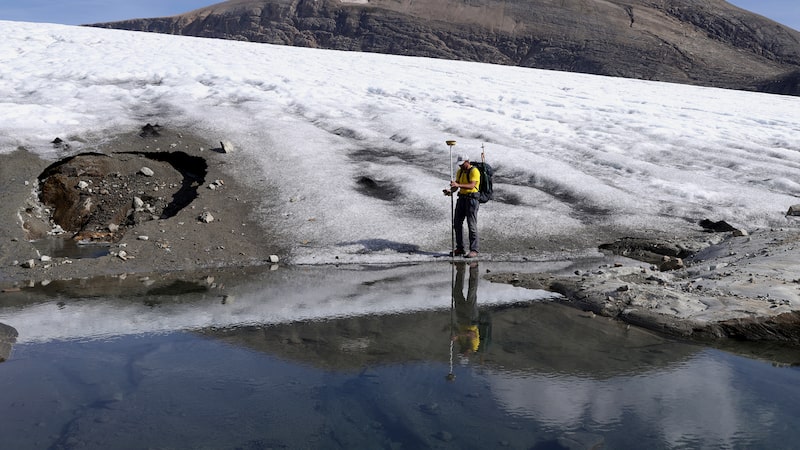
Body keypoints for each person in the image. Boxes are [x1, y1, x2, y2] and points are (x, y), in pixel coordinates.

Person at [443, 154, 480, 258]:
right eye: (459, 165)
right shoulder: (460, 172)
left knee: (471, 225)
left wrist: (458, 185)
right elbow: (457, 185)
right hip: (462, 199)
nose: (460, 166)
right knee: (457, 223)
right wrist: (450, 190)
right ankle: (460, 248)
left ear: (467, 161)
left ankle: (474, 250)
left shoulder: (474, 171)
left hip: (472, 200)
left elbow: (472, 185)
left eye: (462, 164)